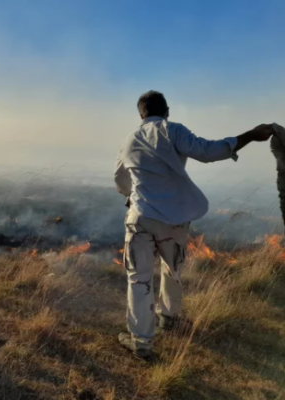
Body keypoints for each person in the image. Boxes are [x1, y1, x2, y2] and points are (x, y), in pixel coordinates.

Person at [114, 90, 274, 360]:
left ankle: (142, 342)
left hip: (140, 218)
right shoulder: (172, 130)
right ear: (166, 111)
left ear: (140, 114)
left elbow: (120, 178)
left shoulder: (129, 140)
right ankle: (169, 318)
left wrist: (132, 196)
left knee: (138, 279)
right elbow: (208, 152)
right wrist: (250, 135)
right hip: (174, 219)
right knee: (172, 269)